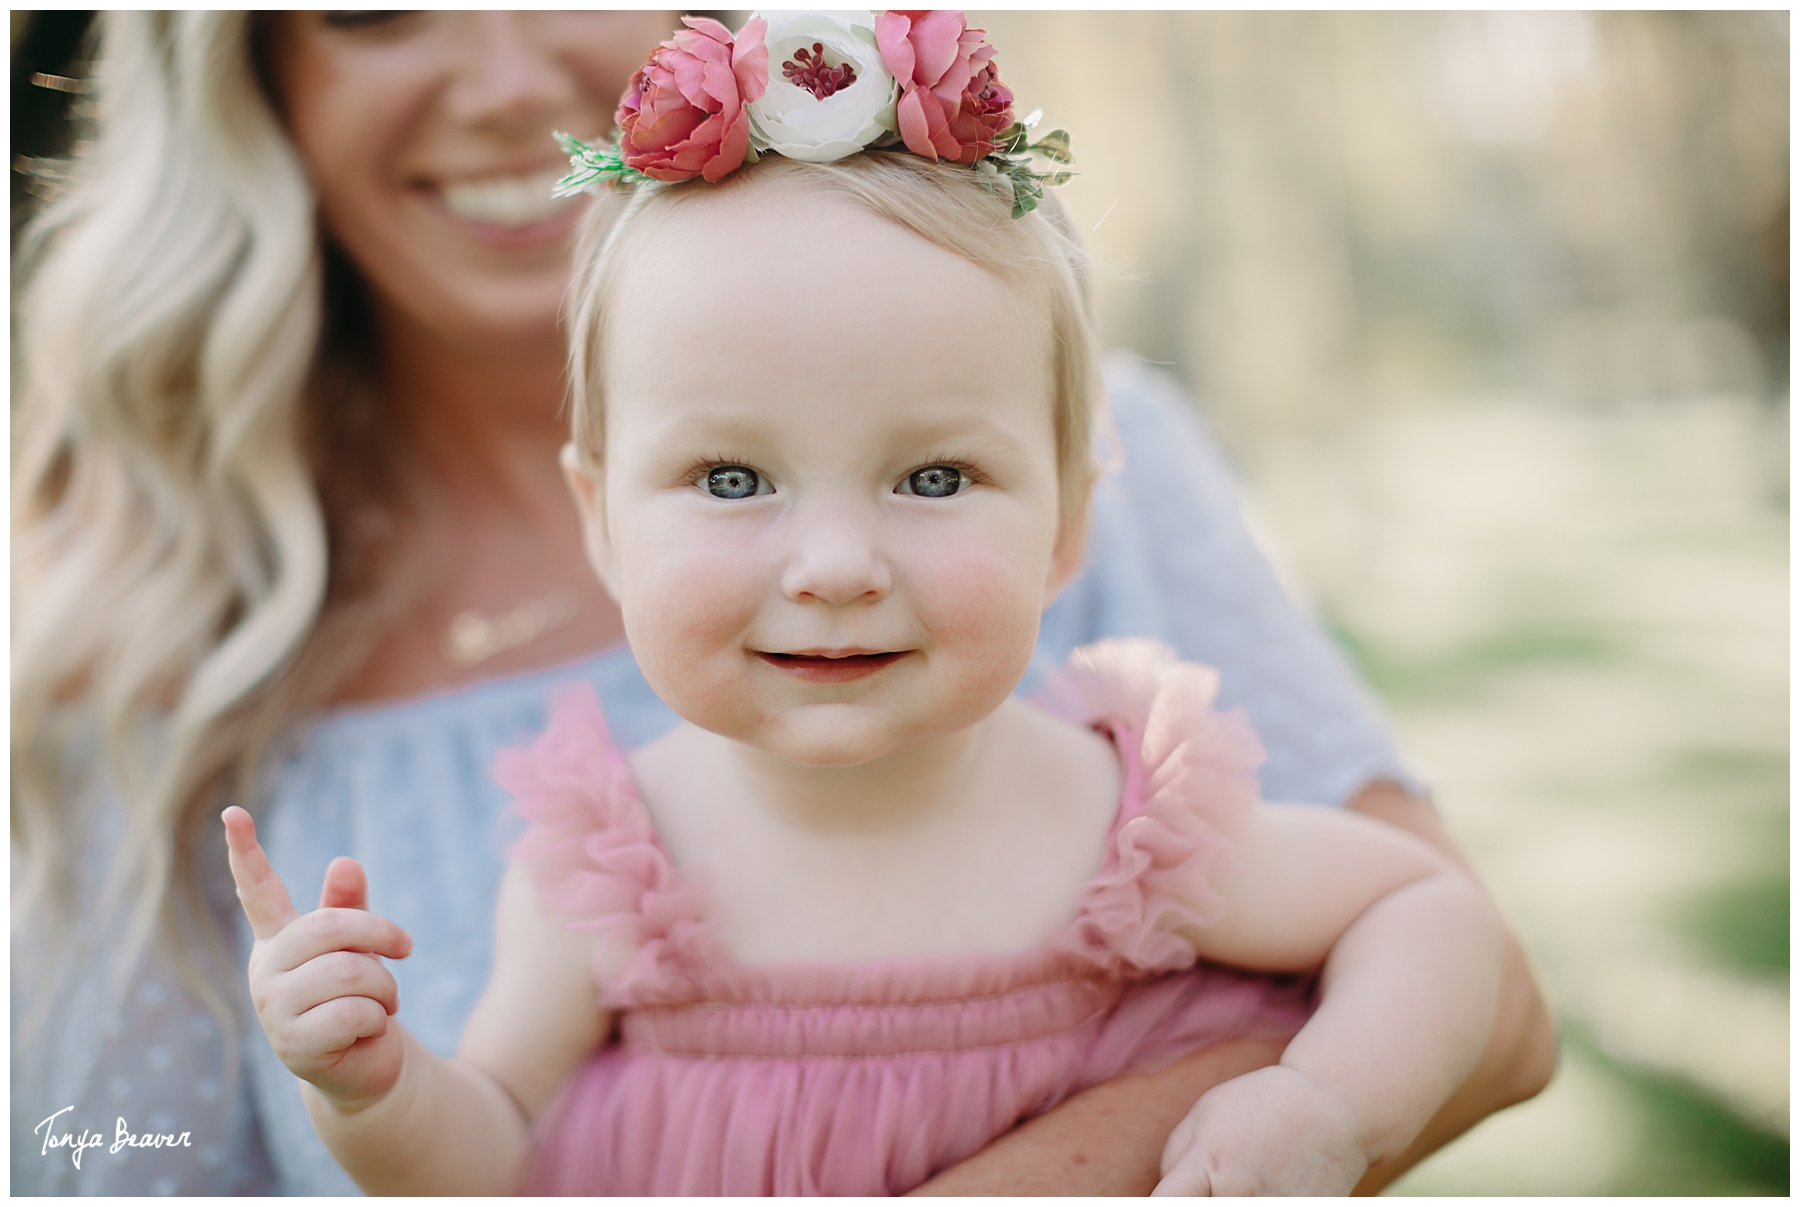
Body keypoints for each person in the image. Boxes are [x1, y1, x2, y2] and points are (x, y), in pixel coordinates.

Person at [11, 11, 1553, 1197]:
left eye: (934, 480)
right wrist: (368, 1083)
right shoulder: (607, 868)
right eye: (734, 482)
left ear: (1080, 516)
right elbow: (488, 1160)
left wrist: (1327, 1103)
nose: (832, 563)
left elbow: (1432, 918)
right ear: (599, 519)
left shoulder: (1130, 823)